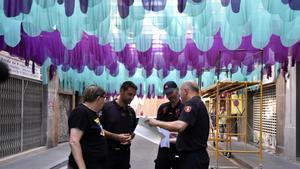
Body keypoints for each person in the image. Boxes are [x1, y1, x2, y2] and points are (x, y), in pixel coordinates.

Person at [146, 81, 210, 169]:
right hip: (194, 155)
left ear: (185, 91)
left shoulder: (192, 104)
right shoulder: (198, 103)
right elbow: (191, 133)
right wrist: (178, 136)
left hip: (193, 157)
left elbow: (180, 126)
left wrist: (155, 122)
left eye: (180, 92)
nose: (180, 95)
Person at [68, 85, 107, 169]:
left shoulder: (92, 113)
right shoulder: (81, 112)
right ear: (98, 98)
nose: (105, 101)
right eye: (104, 98)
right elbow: (74, 142)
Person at [100, 81, 138, 169]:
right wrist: (115, 137)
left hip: (125, 155)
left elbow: (132, 132)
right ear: (121, 91)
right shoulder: (106, 108)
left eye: (133, 95)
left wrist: (130, 137)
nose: (131, 98)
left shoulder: (131, 112)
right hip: (108, 155)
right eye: (129, 94)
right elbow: (98, 129)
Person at [155, 81, 183, 169]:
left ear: (177, 90)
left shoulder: (184, 107)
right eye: (167, 94)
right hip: (164, 145)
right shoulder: (163, 108)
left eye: (171, 92)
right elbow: (158, 126)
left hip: (179, 146)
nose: (169, 96)